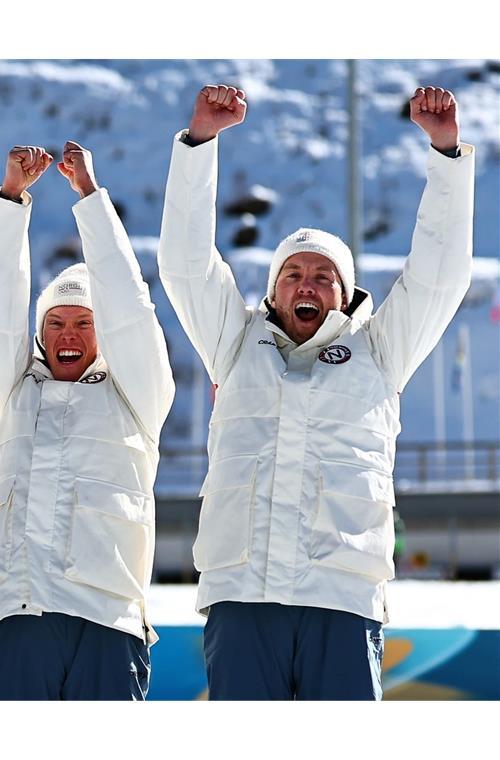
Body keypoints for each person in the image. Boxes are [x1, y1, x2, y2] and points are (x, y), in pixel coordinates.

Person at [157, 85, 474, 700]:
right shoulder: (233, 342)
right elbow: (186, 263)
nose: (308, 284)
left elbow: (438, 276)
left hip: (342, 598)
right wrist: (199, 143)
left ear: (346, 292)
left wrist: (445, 155)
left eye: (323, 277)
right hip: (243, 595)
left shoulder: (381, 350)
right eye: (293, 274)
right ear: (273, 292)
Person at [0, 142, 174, 700]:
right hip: (18, 613)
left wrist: (89, 199)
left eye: (85, 322)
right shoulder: (13, 393)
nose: (69, 335)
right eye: (55, 322)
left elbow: (130, 308)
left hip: (106, 620)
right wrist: (10, 201)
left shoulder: (136, 396)